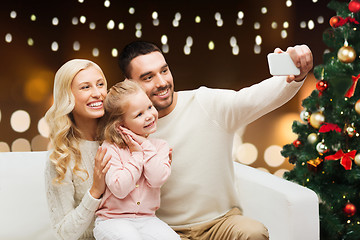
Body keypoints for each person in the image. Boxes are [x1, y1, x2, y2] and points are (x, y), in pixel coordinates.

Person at [118, 40, 313, 240]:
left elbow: (257, 97)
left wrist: (296, 75)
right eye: (148, 77)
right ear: (129, 84)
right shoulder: (127, 129)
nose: (161, 82)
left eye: (164, 71)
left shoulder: (205, 103)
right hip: (164, 231)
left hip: (222, 223)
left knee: (253, 233)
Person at [93, 80, 180, 240]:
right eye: (139, 114)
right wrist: (136, 154)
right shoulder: (110, 148)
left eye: (149, 107)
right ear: (121, 125)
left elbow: (156, 179)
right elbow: (119, 188)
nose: (149, 116)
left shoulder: (159, 146)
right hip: (112, 220)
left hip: (147, 219)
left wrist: (144, 145)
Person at [44, 59, 112, 240]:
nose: (97, 93)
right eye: (85, 87)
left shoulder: (118, 138)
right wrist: (95, 191)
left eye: (100, 84)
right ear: (67, 96)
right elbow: (64, 233)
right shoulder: (60, 158)